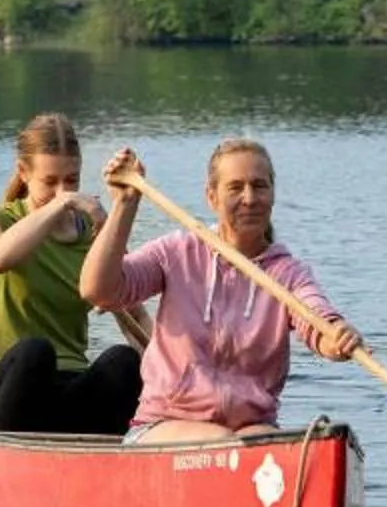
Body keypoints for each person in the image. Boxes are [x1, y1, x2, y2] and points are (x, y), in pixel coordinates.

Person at [80, 137, 362, 445]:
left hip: (250, 427)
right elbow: (98, 290)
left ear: (273, 194)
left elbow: (316, 316)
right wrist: (124, 205)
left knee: (267, 444)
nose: (250, 198)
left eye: (260, 186)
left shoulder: (288, 273)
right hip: (164, 424)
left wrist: (335, 337)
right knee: (225, 442)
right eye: (235, 187)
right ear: (212, 197)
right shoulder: (176, 252)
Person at [0, 113, 147, 435]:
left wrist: (183, 374)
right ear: (23, 173)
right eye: (50, 182)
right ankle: (13, 460)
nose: (64, 192)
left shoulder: (92, 233)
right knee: (36, 351)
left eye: (71, 181)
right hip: (5, 390)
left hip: (69, 387)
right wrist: (59, 206)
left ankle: (98, 461)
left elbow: (136, 319)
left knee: (124, 361)